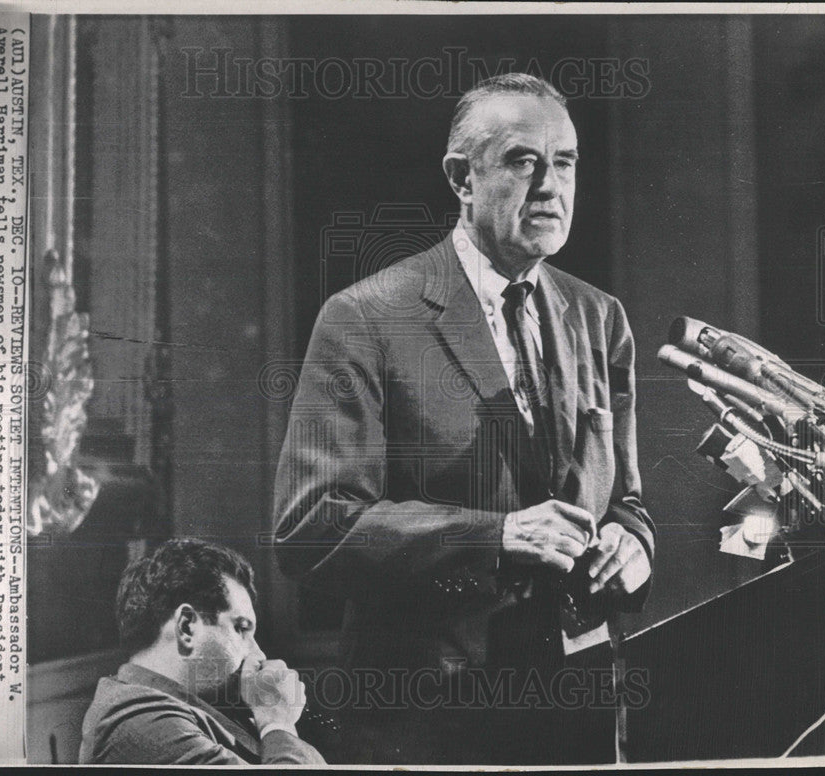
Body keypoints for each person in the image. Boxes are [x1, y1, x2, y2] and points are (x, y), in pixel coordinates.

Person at [272, 73, 655, 765]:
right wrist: (498, 535)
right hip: (429, 720)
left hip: (578, 710)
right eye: (521, 160)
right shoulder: (365, 318)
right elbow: (310, 528)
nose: (550, 186)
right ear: (461, 177)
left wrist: (633, 548)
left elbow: (625, 502)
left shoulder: (601, 319)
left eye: (564, 162)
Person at [78, 538, 325, 765]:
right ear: (186, 626)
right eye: (240, 628)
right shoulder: (136, 724)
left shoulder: (187, 708)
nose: (258, 654)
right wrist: (276, 721)